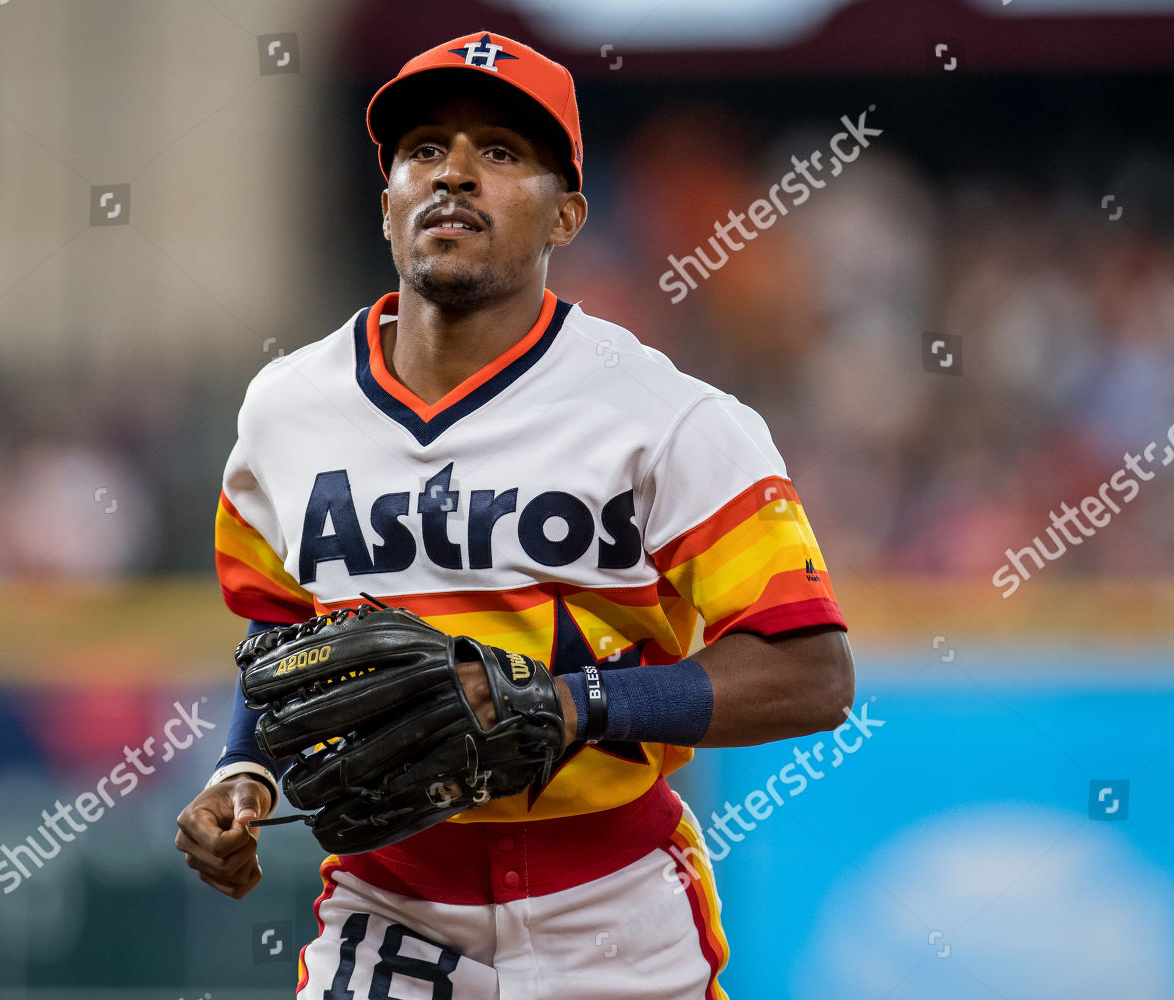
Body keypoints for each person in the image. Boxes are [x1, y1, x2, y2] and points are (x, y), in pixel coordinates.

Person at [176, 30, 854, 999]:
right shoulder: (285, 412)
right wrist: (238, 775)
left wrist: (583, 705)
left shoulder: (672, 416)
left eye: (500, 152)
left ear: (567, 213)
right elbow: (281, 632)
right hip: (390, 907)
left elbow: (814, 670)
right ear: (386, 204)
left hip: (616, 909)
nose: (454, 174)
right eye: (423, 151)